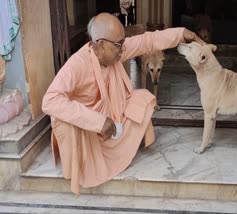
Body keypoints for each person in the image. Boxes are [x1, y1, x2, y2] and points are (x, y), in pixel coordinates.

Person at [42, 12, 205, 194]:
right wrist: (97, 121)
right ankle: (94, 160)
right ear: (100, 45)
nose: (122, 49)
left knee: (142, 99)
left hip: (111, 116)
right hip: (88, 127)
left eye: (123, 43)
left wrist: (182, 33)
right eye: (118, 45)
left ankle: (119, 150)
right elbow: (49, 100)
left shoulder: (115, 51)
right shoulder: (77, 64)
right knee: (64, 121)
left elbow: (147, 41)